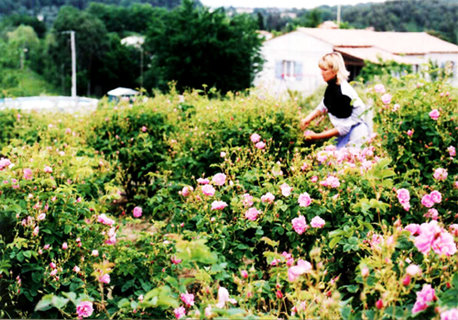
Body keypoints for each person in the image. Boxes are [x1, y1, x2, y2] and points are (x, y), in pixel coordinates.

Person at [300, 52, 371, 149]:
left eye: (325, 70)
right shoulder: (333, 86)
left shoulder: (342, 94)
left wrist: (316, 136)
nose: (321, 73)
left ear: (335, 70)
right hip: (346, 131)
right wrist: (307, 119)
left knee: (345, 161)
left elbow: (343, 129)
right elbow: (324, 104)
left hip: (355, 134)